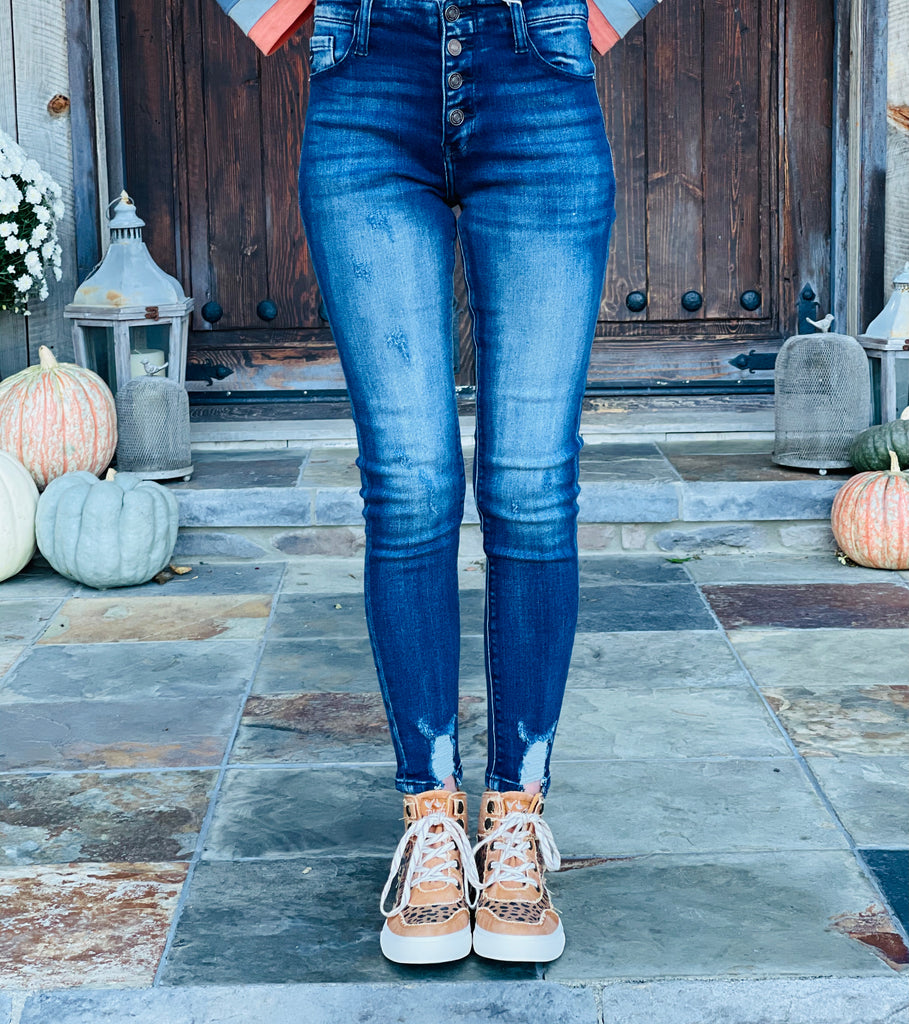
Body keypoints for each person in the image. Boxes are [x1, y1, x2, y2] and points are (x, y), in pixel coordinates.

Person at [217, 0, 653, 967]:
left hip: (536, 68)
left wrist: (594, 14)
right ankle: (430, 818)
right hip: (367, 68)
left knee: (531, 484)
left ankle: (514, 820)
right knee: (409, 484)